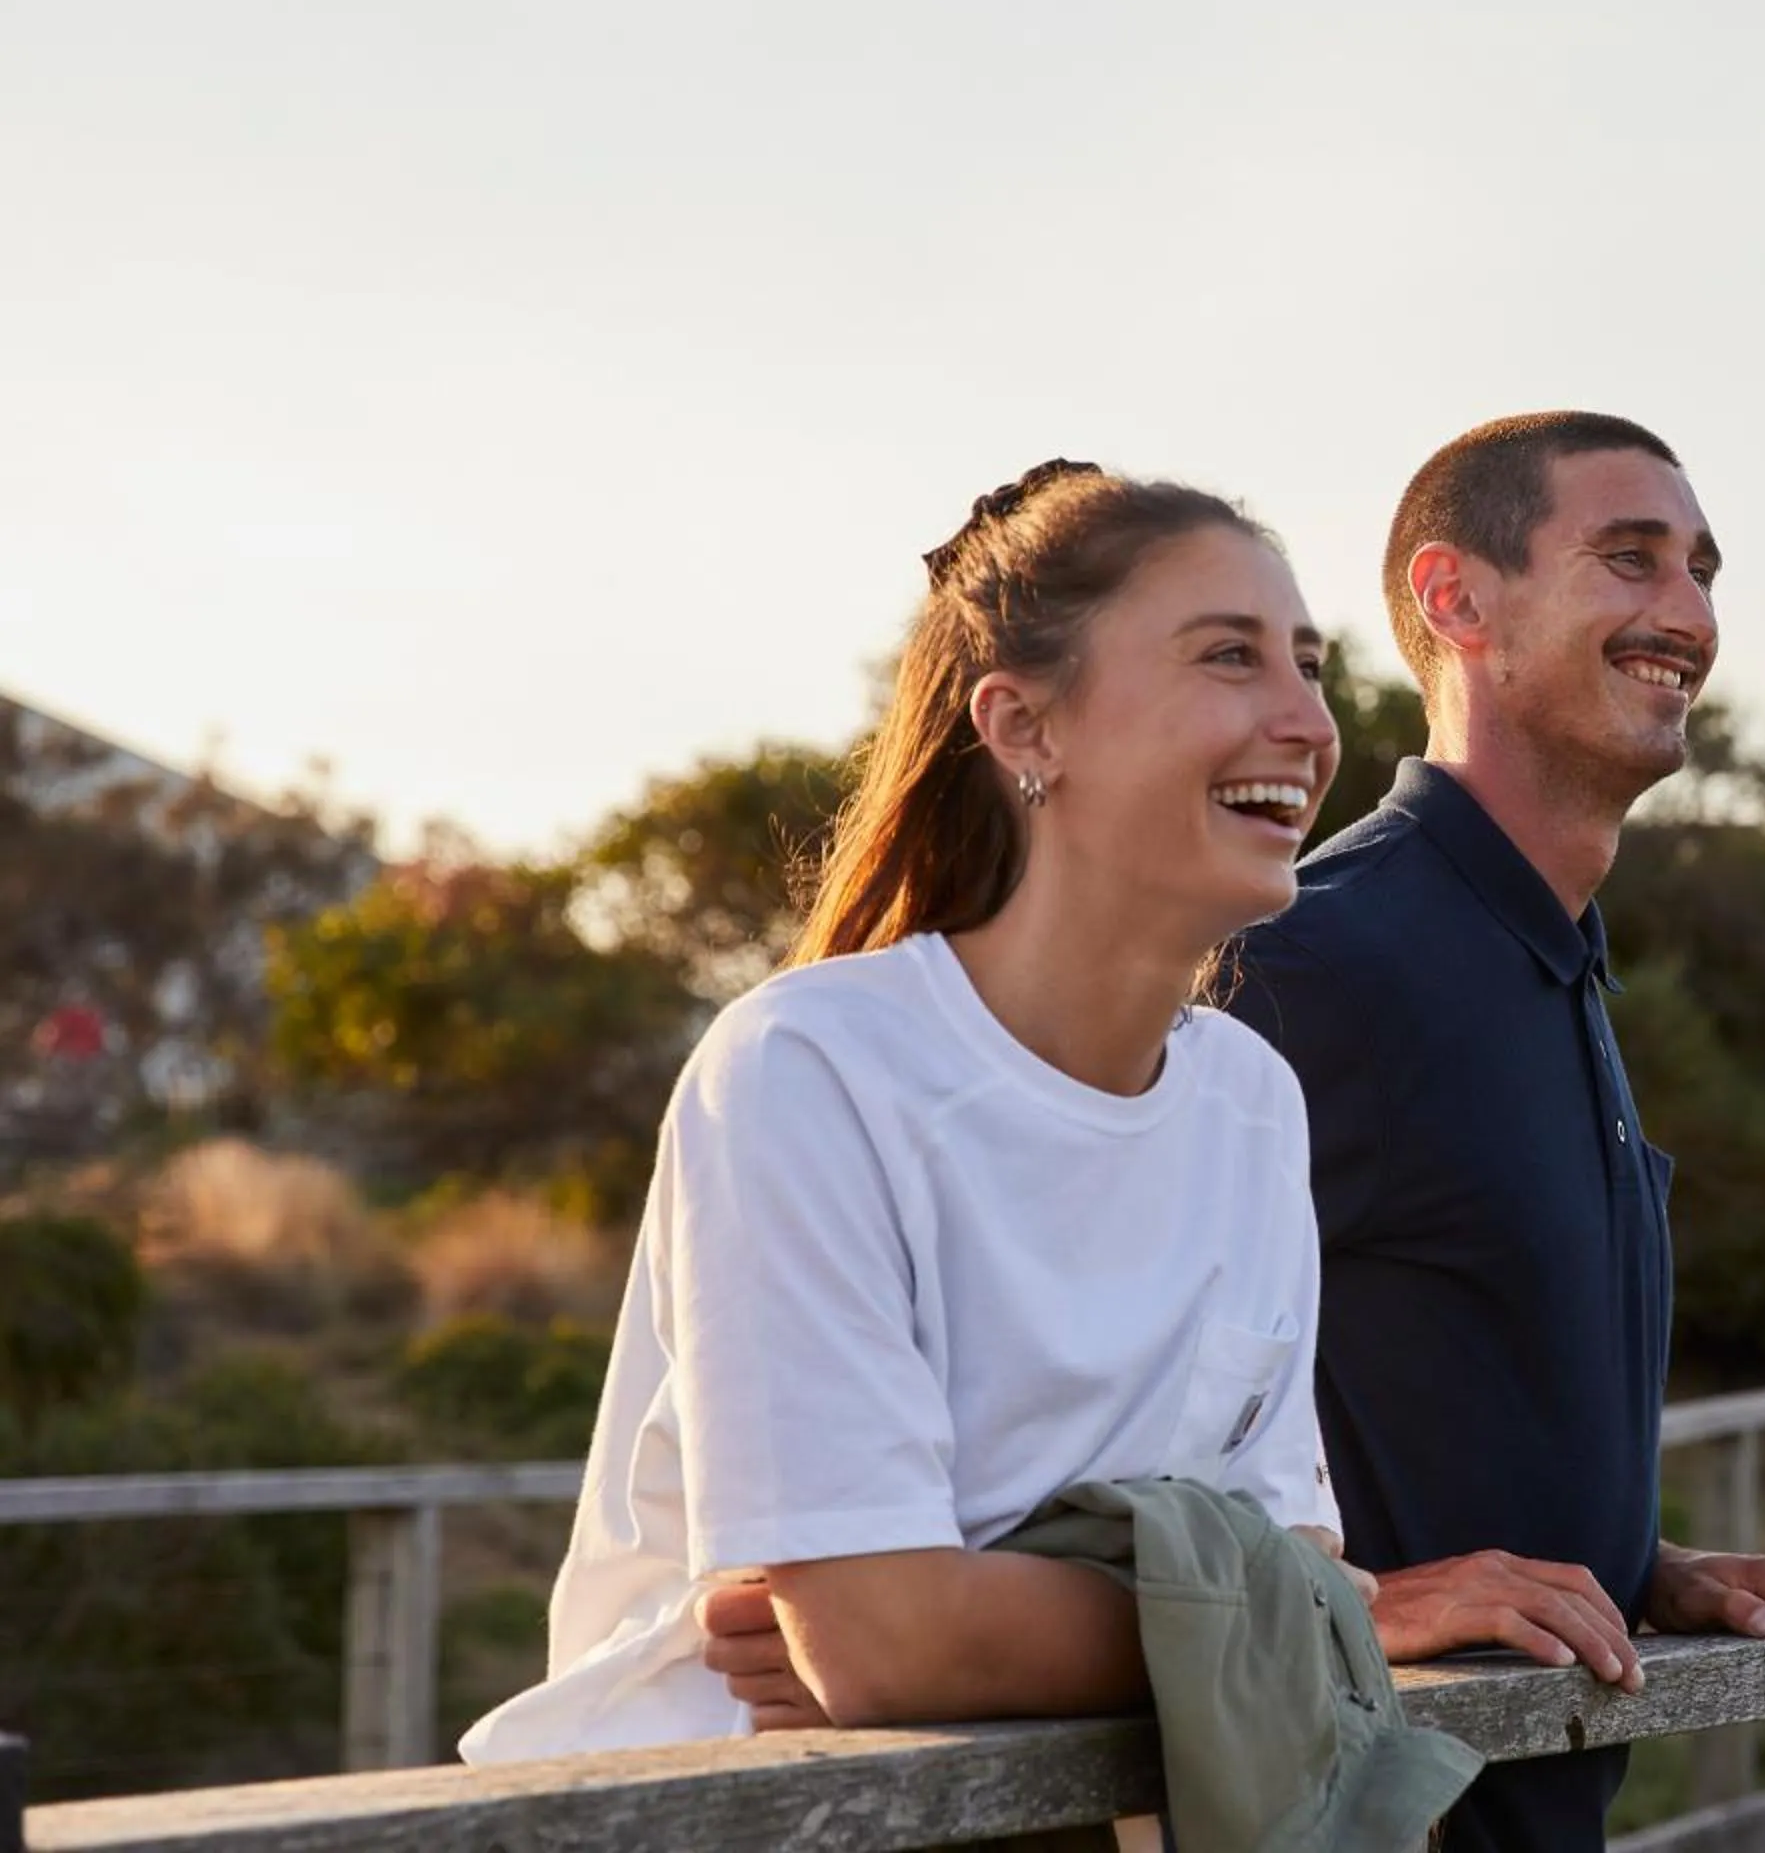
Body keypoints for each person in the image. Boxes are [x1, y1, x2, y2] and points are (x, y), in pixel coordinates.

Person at [458, 461, 1360, 1763]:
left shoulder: (1255, 1107)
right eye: (1231, 657)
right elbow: (888, 1649)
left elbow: (1298, 1557)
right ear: (1024, 728)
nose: (1307, 719)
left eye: (1312, 664)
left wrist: (982, 1626)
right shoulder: (807, 1069)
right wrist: (1286, 1621)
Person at [1224, 412, 1765, 1851]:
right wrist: (1367, 1603)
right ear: (1455, 601)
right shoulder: (1318, 960)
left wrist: (1641, 1563)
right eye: (1629, 560)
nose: (1689, 615)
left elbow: (1416, 1372)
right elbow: (1083, 1413)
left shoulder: (1559, 964)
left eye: (1703, 570)